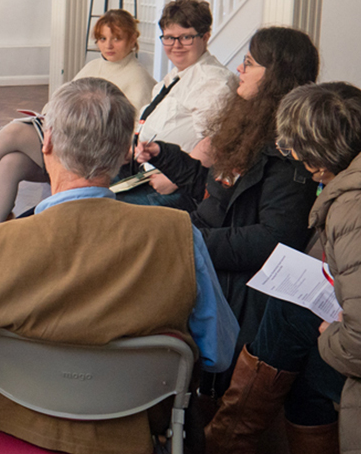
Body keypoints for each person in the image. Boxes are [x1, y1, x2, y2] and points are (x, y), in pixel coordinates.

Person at [0, 78, 238, 453]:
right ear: (121, 154)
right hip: (133, 428)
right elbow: (218, 352)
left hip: (16, 421)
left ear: (46, 143)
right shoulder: (180, 237)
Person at [134, 26, 320, 392]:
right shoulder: (252, 125)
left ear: (275, 76)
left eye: (249, 63)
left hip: (235, 282)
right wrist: (165, 155)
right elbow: (215, 192)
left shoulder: (288, 153)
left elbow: (274, 241)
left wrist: (193, 241)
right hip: (207, 250)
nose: (239, 69)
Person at [205, 82, 361, 454]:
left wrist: (330, 335)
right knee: (292, 327)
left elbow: (356, 345)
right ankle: (224, 439)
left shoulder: (351, 209)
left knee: (291, 326)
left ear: (315, 160)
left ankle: (223, 439)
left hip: (350, 348)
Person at [0, 8, 156, 226]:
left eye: (117, 38)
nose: (108, 45)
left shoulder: (138, 78)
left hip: (96, 158)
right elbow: (61, 102)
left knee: (15, 131)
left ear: (133, 39)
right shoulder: (93, 66)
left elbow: (132, 132)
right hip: (70, 148)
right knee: (9, 163)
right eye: (102, 38)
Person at [118, 0, 236, 209]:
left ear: (205, 37)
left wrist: (173, 180)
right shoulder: (176, 76)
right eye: (169, 38)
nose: (176, 45)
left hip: (175, 186)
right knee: (83, 187)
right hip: (142, 171)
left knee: (99, 207)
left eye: (186, 37)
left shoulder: (214, 80)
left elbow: (214, 141)